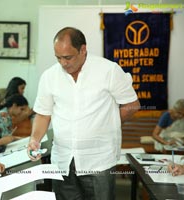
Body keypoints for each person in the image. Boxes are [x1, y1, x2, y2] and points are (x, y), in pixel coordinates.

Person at [27, 27, 140, 200]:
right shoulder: (49, 76)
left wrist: (110, 123)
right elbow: (43, 114)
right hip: (63, 161)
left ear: (83, 50)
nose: (63, 63)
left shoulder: (108, 70)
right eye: (58, 58)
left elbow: (132, 104)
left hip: (99, 161)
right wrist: (34, 139)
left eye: (68, 57)